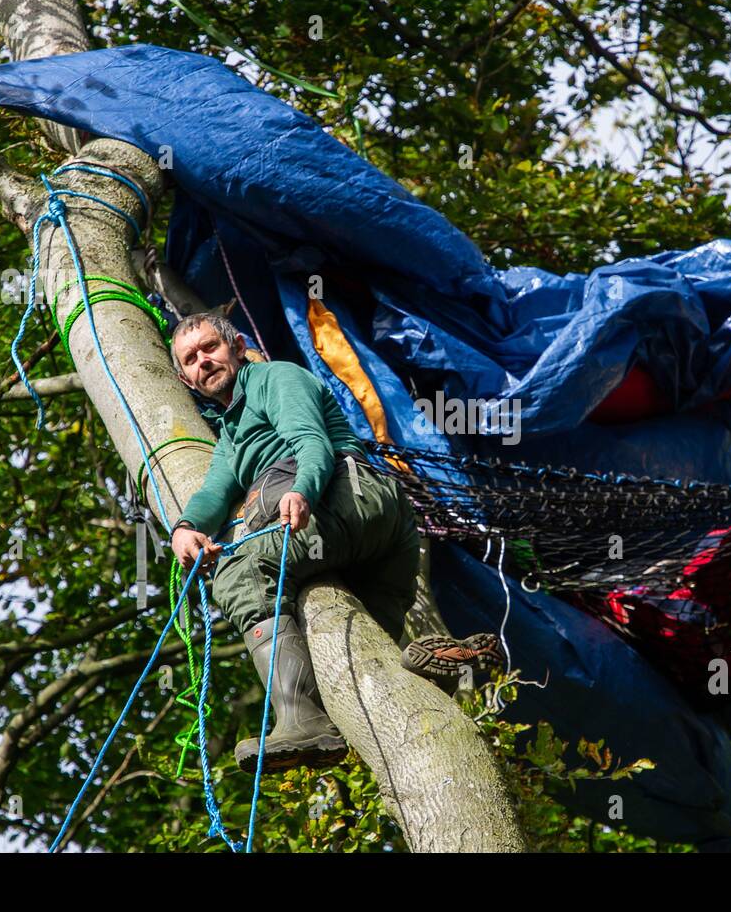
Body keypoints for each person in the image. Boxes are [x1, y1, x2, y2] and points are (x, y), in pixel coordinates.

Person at [167, 312, 502, 773]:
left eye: (210, 348)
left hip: (344, 499)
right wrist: (185, 528)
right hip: (377, 552)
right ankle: (427, 671)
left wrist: (302, 488)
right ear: (184, 377)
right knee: (361, 668)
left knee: (240, 574)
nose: (203, 361)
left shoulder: (273, 377)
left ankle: (301, 720)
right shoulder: (231, 430)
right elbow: (216, 491)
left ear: (238, 346)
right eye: (191, 358)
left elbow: (309, 437)